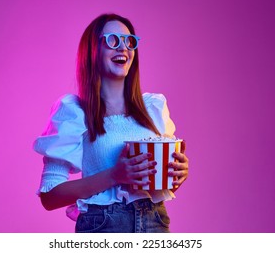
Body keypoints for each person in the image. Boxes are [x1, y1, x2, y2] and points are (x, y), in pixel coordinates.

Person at [33, 13, 189, 233]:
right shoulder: (74, 112)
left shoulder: (153, 108)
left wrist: (176, 174)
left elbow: (159, 184)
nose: (123, 48)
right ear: (92, 51)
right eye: (112, 40)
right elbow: (50, 197)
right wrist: (115, 175)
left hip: (155, 223)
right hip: (103, 228)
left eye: (129, 41)